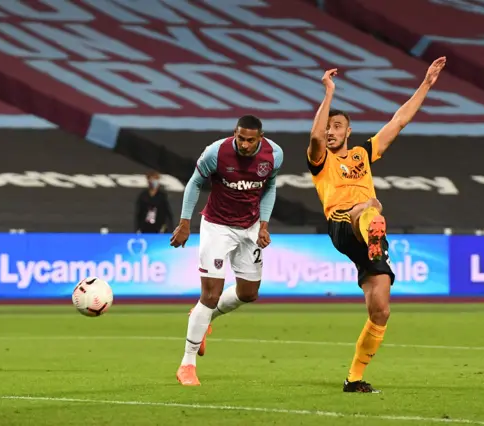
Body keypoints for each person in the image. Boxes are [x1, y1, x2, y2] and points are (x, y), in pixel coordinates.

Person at [307, 57, 447, 393]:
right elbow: (314, 136)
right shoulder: (321, 159)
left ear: (348, 131)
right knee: (368, 207)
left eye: (337, 126)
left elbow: (399, 121)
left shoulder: (362, 153)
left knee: (380, 309)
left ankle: (353, 378)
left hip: (368, 232)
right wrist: (328, 94)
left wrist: (426, 83)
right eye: (329, 126)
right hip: (343, 223)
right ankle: (373, 226)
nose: (331, 131)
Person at [170, 115, 284, 386]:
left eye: (250, 140)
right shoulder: (216, 152)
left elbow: (269, 187)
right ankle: (187, 364)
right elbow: (194, 182)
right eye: (240, 138)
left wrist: (264, 225)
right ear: (235, 133)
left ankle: (205, 317)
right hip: (217, 227)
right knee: (210, 294)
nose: (244, 144)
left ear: (260, 138)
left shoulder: (274, 155)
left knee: (248, 293)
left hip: (250, 227)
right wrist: (185, 222)